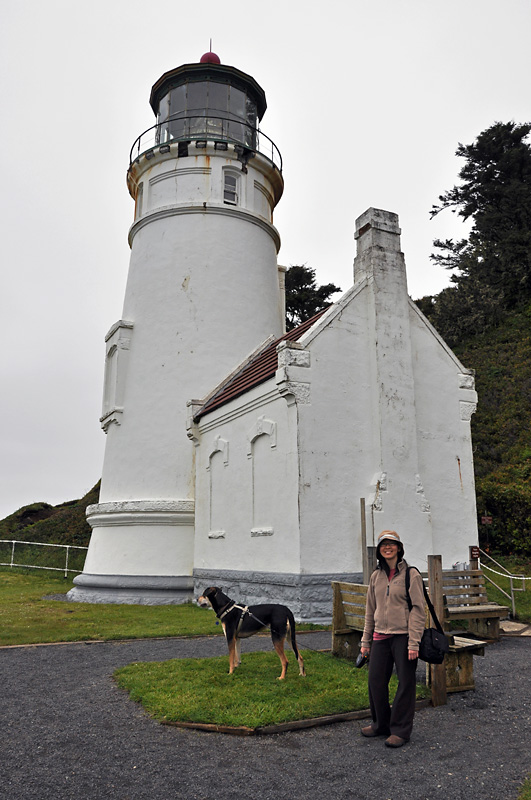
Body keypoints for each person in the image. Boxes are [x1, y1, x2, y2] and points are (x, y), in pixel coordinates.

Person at [359, 530, 425, 748]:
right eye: (383, 545)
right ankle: (381, 724)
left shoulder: (411, 574)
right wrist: (365, 642)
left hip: (403, 637)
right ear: (379, 550)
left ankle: (400, 730)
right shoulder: (375, 577)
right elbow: (370, 610)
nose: (388, 548)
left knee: (405, 683)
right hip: (380, 636)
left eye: (392, 544)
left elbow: (418, 609)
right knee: (376, 681)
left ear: (399, 547)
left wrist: (414, 642)